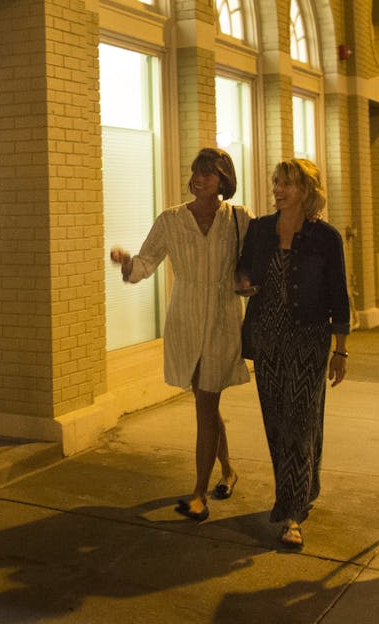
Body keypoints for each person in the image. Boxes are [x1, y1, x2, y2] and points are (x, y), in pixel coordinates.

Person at [110, 147, 251, 522]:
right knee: (207, 402)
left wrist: (248, 283)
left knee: (206, 402)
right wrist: (127, 264)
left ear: (224, 180)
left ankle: (199, 494)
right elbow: (146, 262)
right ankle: (228, 470)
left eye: (208, 173)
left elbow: (251, 266)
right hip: (185, 317)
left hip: (222, 317)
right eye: (196, 172)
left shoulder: (238, 219)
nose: (199, 178)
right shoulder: (171, 219)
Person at [234, 158, 350, 550]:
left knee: (300, 421)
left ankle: (291, 512)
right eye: (275, 182)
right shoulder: (261, 229)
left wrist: (342, 349)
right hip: (266, 337)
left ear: (307, 190)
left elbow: (339, 292)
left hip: (309, 338)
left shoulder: (325, 237)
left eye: (286, 183)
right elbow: (242, 271)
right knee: (277, 422)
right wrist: (245, 282)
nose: (277, 189)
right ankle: (304, 485)